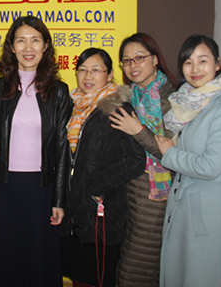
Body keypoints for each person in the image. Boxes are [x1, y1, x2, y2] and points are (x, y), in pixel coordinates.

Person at [0, 15, 73, 287]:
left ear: (45, 46)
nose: (28, 48)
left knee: (38, 261)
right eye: (21, 41)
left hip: (42, 188)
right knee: (4, 259)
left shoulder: (59, 91)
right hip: (3, 187)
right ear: (12, 47)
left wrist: (59, 200)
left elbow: (62, 151)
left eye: (35, 40)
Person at [154, 35, 221, 287]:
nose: (195, 69)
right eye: (188, 62)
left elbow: (211, 166)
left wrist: (170, 154)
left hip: (208, 209)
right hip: (183, 203)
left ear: (218, 64)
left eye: (203, 61)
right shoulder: (188, 102)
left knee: (203, 276)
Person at [61, 48, 146, 287]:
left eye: (96, 70)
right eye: (82, 70)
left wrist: (96, 185)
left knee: (97, 276)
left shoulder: (118, 109)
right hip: (73, 210)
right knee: (77, 274)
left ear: (109, 75)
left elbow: (136, 160)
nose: (88, 76)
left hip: (101, 209)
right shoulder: (72, 107)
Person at [109, 33, 178, 287]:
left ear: (155, 59)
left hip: (155, 194)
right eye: (126, 61)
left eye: (139, 58)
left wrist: (137, 130)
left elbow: (170, 154)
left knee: (137, 267)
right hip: (130, 190)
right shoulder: (130, 96)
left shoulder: (172, 99)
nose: (133, 65)